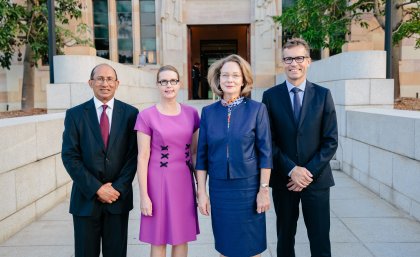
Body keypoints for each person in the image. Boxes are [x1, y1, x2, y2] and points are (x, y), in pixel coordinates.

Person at [262, 38, 338, 257]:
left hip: (317, 180)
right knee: (285, 238)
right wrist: (291, 169)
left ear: (308, 61)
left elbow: (330, 140)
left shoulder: (323, 95)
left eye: (299, 58)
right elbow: (269, 141)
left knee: (320, 238)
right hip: (284, 180)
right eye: (288, 59)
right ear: (283, 62)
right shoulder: (270, 96)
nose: (293, 63)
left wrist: (307, 172)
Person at [196, 54, 272, 257]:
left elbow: (265, 153)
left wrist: (263, 190)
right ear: (218, 79)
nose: (230, 80)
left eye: (235, 75)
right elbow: (201, 157)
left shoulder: (257, 110)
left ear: (243, 80)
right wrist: (202, 193)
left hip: (248, 188)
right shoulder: (208, 112)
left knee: (251, 246)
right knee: (226, 246)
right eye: (225, 75)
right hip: (220, 189)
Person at [61, 63, 138, 257]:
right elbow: (70, 156)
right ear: (90, 83)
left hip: (117, 200)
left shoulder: (131, 114)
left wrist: (117, 189)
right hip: (85, 200)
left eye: (109, 79)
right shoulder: (75, 115)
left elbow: (133, 156)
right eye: (100, 79)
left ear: (117, 83)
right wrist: (97, 188)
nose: (105, 83)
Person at [135, 65, 200, 257]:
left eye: (173, 81)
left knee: (182, 237)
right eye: (163, 81)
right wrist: (144, 196)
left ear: (179, 84)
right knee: (159, 238)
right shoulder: (146, 116)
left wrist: (200, 188)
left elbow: (194, 152)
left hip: (184, 183)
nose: (168, 85)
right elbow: (143, 157)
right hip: (158, 183)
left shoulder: (192, 114)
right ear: (157, 85)